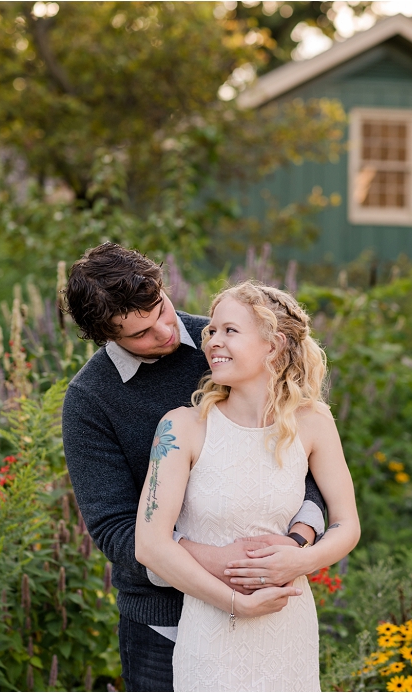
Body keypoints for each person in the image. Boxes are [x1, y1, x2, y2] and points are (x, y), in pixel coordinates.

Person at [62, 243, 330, 691]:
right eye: (142, 332)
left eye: (162, 308)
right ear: (107, 336)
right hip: (161, 625)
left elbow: (307, 456)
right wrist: (222, 565)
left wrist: (293, 546)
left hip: (272, 608)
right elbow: (113, 527)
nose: (166, 331)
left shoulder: (228, 344)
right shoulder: (90, 400)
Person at [132, 280, 361, 690]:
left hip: (288, 628)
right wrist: (237, 603)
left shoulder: (314, 423)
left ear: (272, 346)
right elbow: (150, 544)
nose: (213, 342)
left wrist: (301, 561)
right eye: (212, 331)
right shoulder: (182, 427)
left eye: (230, 331)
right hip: (211, 633)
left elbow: (346, 524)